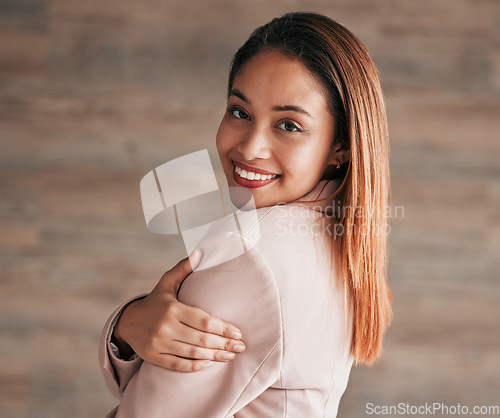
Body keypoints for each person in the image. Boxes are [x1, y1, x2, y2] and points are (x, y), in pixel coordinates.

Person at [99, 11, 392, 417]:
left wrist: (124, 325)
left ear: (340, 147)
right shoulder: (338, 236)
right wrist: (128, 326)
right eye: (240, 112)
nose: (251, 148)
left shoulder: (250, 253)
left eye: (288, 125)